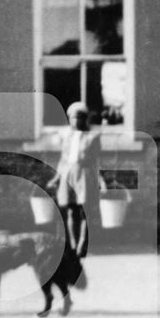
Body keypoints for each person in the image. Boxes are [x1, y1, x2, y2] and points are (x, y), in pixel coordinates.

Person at [47, 101, 102, 258]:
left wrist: (100, 179)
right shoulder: (66, 136)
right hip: (68, 174)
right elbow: (63, 160)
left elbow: (96, 160)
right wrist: (56, 178)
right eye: (72, 118)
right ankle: (72, 243)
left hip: (85, 174)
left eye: (79, 117)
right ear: (69, 119)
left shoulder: (93, 137)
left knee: (84, 211)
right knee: (70, 211)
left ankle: (82, 245)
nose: (76, 121)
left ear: (85, 119)